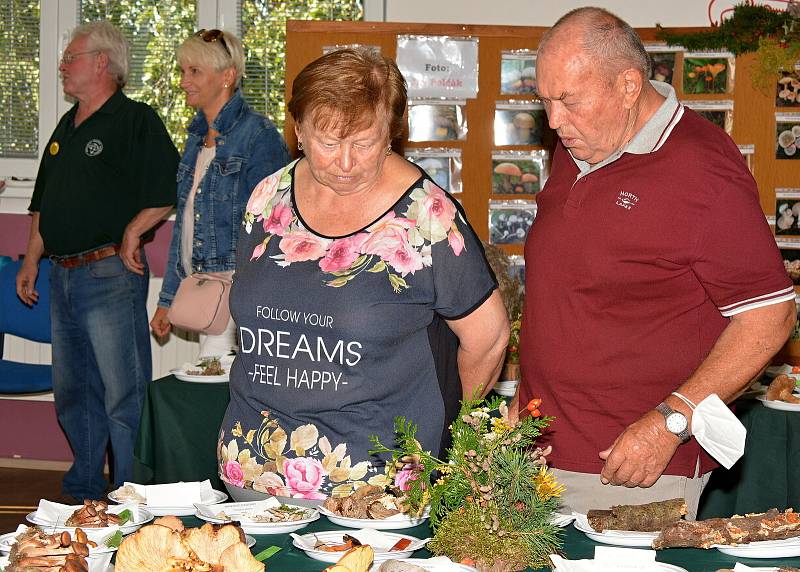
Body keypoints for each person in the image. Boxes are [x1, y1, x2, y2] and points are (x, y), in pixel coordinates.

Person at [516, 7, 795, 519]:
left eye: (569, 101)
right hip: (539, 457)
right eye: (546, 101)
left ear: (628, 85)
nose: (554, 121)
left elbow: (770, 314)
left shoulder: (703, 170)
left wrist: (671, 421)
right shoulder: (579, 145)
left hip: (628, 470)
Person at [216, 48, 509, 501]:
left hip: (371, 495)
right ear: (298, 130)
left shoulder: (427, 218)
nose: (345, 162)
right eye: (328, 143)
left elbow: (488, 339)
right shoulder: (267, 198)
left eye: (364, 143)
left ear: (391, 133)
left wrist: (452, 433)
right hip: (250, 477)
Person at [15, 21, 179, 501]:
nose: (63, 66)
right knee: (74, 394)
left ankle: (130, 494)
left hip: (109, 275)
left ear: (102, 62)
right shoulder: (67, 126)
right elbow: (42, 202)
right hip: (61, 275)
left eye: (71, 58)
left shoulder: (136, 121)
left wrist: (133, 230)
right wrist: (30, 262)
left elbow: (166, 190)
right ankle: (85, 488)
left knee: (122, 394)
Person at [150, 29, 289, 358]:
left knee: (218, 393)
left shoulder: (259, 136)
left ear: (227, 75)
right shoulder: (195, 140)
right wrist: (167, 300)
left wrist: (255, 299)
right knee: (209, 391)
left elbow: (275, 225)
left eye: (194, 71)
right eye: (183, 71)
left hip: (239, 293)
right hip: (203, 291)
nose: (184, 81)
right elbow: (183, 225)